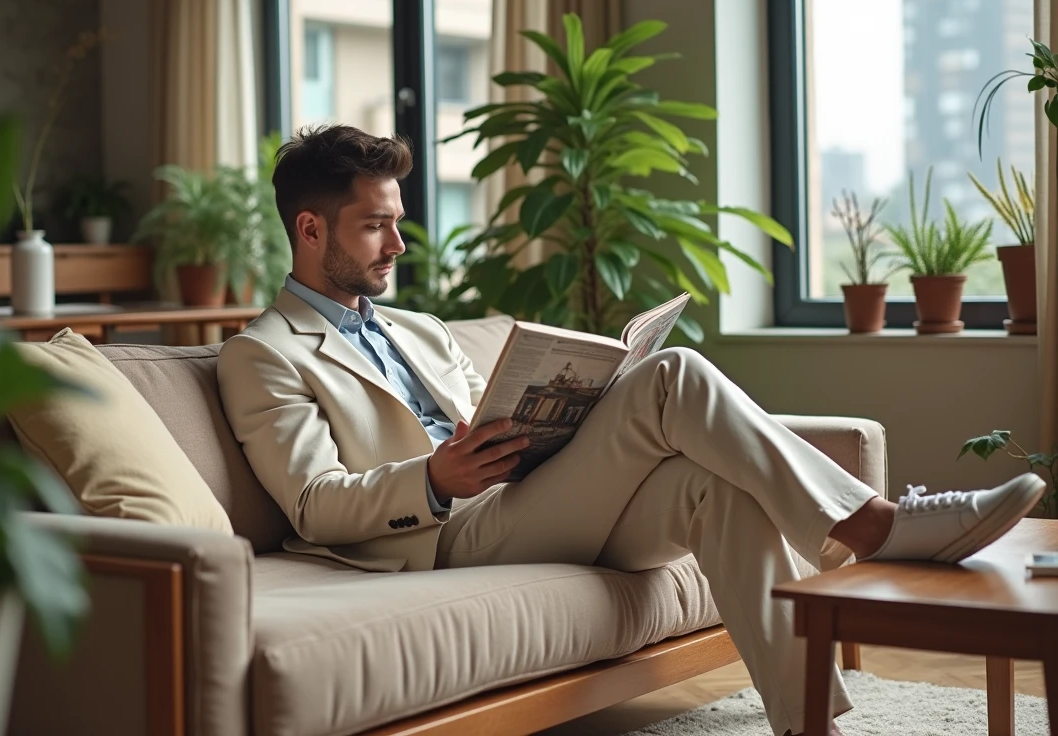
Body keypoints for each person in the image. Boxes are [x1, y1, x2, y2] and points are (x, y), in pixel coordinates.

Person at [217, 125, 1045, 736]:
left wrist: (560, 416)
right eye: (375, 226)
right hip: (443, 531)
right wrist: (436, 479)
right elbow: (315, 506)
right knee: (676, 376)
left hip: (523, 498)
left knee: (709, 487)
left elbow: (486, 417)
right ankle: (875, 526)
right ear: (312, 229)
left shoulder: (421, 328)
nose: (398, 243)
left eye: (399, 222)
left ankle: (808, 724)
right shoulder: (261, 355)